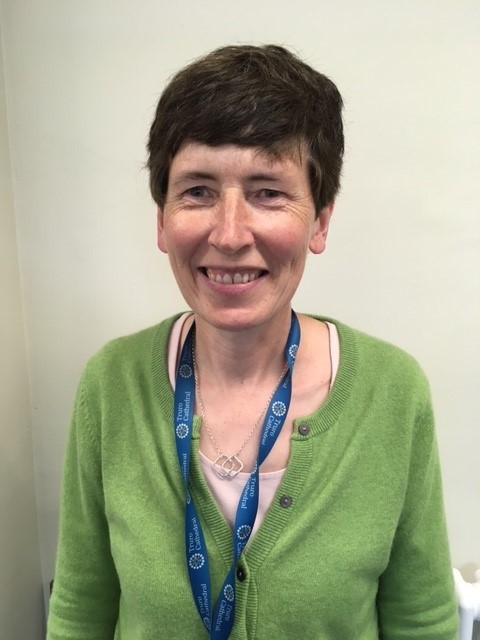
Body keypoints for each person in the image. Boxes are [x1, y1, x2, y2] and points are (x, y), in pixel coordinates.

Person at [47, 45, 458, 639]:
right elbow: (80, 614)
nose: (230, 233)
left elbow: (423, 622)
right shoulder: (112, 383)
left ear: (319, 220)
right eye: (197, 191)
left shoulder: (393, 391)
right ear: (162, 220)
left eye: (268, 191)